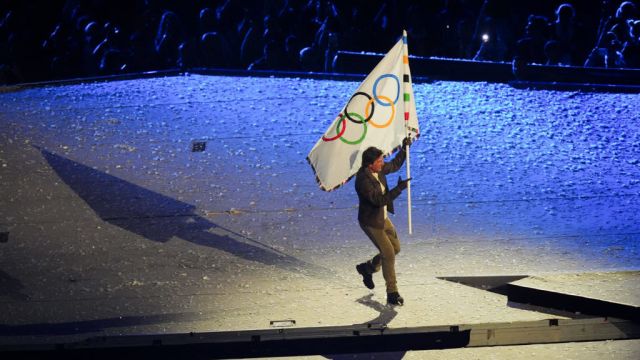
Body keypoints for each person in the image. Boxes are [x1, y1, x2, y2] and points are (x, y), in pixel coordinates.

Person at [355, 138, 412, 306]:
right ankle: (392, 293)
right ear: (370, 164)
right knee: (388, 254)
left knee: (396, 249)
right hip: (372, 222)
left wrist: (404, 149)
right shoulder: (363, 181)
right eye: (379, 161)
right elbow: (379, 201)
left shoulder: (378, 170)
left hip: (383, 217)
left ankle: (368, 268)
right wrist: (399, 189)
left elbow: (394, 165)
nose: (382, 163)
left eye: (382, 160)